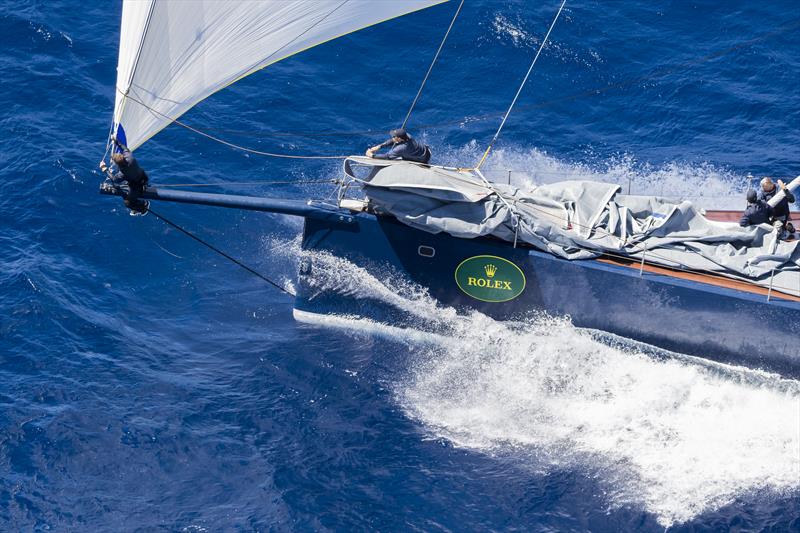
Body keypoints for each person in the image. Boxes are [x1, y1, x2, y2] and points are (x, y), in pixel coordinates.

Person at [100, 138, 149, 215]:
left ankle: (143, 206)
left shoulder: (123, 173)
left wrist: (104, 169)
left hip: (137, 186)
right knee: (128, 184)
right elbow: (124, 147)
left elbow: (114, 179)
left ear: (118, 164)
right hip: (144, 177)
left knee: (127, 203)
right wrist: (116, 141)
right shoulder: (129, 156)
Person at [365, 128, 431, 164]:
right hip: (426, 150)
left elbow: (387, 156)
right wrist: (380, 146)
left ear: (399, 138)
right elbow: (393, 141)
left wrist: (371, 155)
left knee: (401, 156)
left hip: (423, 159)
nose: (392, 137)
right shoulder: (407, 135)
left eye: (394, 136)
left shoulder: (402, 148)